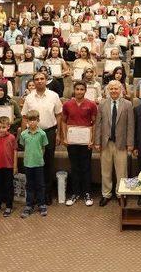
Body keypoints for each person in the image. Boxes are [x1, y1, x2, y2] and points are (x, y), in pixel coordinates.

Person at [20, 71, 62, 205]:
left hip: (49, 132)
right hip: (32, 135)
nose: (39, 81)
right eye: (36, 79)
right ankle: (35, 195)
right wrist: (24, 135)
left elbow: (59, 116)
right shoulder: (29, 98)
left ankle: (46, 194)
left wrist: (59, 133)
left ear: (46, 80)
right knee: (34, 164)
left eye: (42, 79)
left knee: (48, 164)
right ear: (33, 81)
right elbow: (25, 117)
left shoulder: (54, 96)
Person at [95, 80, 135, 206]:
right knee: (105, 171)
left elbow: (130, 125)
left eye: (116, 89)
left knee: (121, 171)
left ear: (121, 90)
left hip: (121, 143)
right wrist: (97, 141)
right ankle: (106, 194)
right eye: (111, 89)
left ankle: (121, 194)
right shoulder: (102, 104)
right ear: (108, 90)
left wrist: (130, 143)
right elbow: (98, 124)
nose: (113, 91)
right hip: (106, 143)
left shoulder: (128, 104)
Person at [61, 82, 97, 207]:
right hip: (72, 141)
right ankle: (75, 193)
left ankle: (87, 193)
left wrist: (92, 139)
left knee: (86, 167)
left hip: (85, 141)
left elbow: (94, 123)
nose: (80, 91)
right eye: (77, 89)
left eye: (82, 89)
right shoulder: (67, 104)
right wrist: (65, 137)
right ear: (74, 90)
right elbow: (64, 122)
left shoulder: (91, 105)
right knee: (74, 167)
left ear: (85, 91)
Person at [19, 110, 49, 218]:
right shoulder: (23, 134)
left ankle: (42, 205)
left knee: (40, 185)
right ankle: (29, 205)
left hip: (39, 164)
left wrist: (39, 157)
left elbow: (43, 148)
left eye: (34, 120)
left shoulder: (42, 134)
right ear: (27, 121)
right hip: (28, 163)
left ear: (38, 121)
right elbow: (23, 146)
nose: (32, 123)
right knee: (29, 185)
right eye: (30, 120)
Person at [0, 116, 18, 217]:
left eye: (3, 127)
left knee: (8, 187)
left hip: (9, 167)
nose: (1, 129)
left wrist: (15, 166)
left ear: (8, 127)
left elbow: (15, 152)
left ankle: (9, 206)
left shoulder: (12, 138)